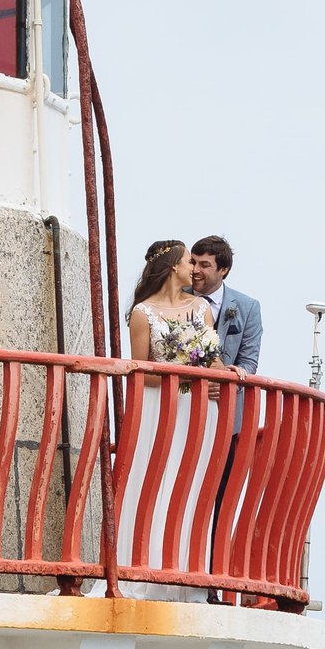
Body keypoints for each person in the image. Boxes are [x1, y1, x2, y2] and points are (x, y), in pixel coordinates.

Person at [113, 240, 222, 601]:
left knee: (191, 483)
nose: (194, 267)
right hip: (159, 408)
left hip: (196, 411)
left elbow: (215, 362)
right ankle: (144, 569)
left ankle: (186, 574)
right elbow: (141, 371)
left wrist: (223, 375)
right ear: (173, 266)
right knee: (154, 479)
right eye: (189, 261)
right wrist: (183, 374)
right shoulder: (142, 314)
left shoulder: (202, 309)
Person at [188, 236, 262, 374]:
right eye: (192, 262)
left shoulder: (249, 307)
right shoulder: (175, 297)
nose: (195, 270)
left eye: (204, 265)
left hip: (225, 394)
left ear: (224, 270)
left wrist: (228, 379)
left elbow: (249, 362)